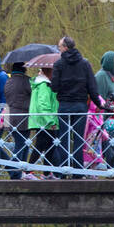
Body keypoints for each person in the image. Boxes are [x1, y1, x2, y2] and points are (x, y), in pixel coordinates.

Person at [49, 37, 102, 176]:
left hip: (65, 105)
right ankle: (78, 171)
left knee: (64, 138)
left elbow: (54, 88)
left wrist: (54, 84)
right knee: (78, 138)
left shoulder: (59, 64)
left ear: (65, 47)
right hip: (80, 106)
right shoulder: (85, 64)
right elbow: (92, 87)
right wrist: (100, 105)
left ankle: (63, 170)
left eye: (60, 46)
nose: (59, 49)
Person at [27, 65, 60, 177]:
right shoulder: (44, 85)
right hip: (44, 121)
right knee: (41, 145)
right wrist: (51, 121)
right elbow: (43, 105)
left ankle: (46, 172)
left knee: (49, 146)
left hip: (42, 120)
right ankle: (28, 171)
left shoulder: (43, 85)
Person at [3, 61, 32, 179]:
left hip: (10, 116)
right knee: (22, 144)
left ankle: (20, 172)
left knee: (23, 143)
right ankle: (13, 168)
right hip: (23, 116)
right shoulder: (26, 81)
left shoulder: (8, 81)